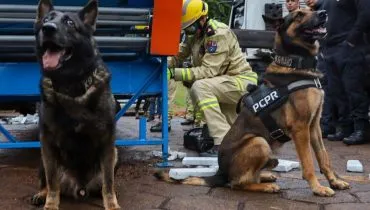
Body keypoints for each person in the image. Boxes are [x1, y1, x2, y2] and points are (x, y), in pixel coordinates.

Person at [167, 0, 258, 156]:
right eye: (186, 29)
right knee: (234, 135)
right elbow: (178, 54)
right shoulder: (195, 34)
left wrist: (174, 73)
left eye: (191, 27)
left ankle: (221, 143)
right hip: (223, 84)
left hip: (240, 82)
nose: (189, 31)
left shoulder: (218, 34)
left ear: (203, 19)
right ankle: (234, 146)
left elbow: (208, 71)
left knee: (200, 87)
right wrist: (162, 63)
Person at [306, 0, 370, 145]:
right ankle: (346, 128)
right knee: (337, 91)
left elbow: (366, 14)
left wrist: (351, 40)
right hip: (331, 47)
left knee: (354, 90)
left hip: (351, 47)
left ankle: (361, 129)